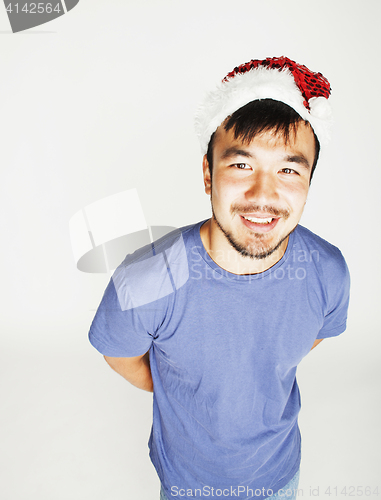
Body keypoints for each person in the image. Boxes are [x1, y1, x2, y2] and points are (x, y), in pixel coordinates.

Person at [89, 57, 350, 500]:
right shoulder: (146, 278)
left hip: (281, 475)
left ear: (309, 181)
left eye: (289, 169)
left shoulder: (328, 270)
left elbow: (311, 337)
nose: (263, 195)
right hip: (187, 484)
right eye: (241, 165)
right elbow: (122, 357)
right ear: (208, 174)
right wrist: (184, 388)